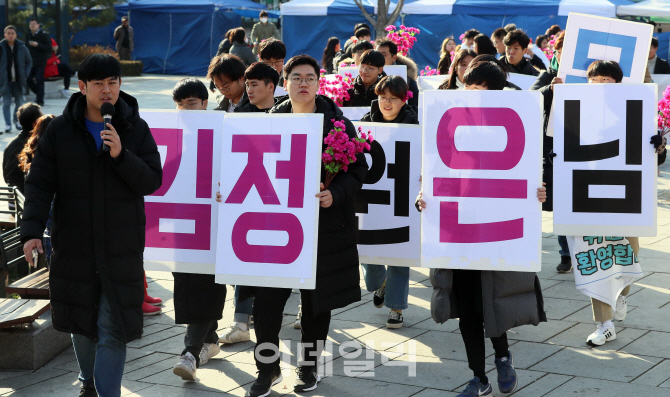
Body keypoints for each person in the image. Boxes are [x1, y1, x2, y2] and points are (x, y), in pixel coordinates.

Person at [20, 53, 162, 397]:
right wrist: (32, 232)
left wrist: (121, 156)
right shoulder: (59, 130)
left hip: (121, 245)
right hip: (74, 243)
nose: (107, 90)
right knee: (81, 323)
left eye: (112, 82)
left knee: (111, 326)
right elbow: (39, 184)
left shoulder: (133, 128)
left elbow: (152, 181)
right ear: (82, 87)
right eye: (98, 83)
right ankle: (88, 381)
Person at [417, 60, 547, 397]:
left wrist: (539, 192)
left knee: (491, 302)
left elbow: (531, 172)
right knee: (467, 309)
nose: (471, 98)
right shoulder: (449, 122)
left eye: (479, 93)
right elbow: (433, 168)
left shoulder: (516, 123)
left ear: (496, 94)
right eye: (467, 90)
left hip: (495, 232)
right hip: (458, 230)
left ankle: (503, 357)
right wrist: (425, 195)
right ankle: (479, 377)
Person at [246, 54, 367, 397]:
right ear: (285, 83)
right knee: (267, 303)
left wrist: (337, 194)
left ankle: (309, 367)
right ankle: (266, 369)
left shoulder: (338, 124)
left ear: (319, 83)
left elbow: (356, 171)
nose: (302, 83)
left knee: (317, 304)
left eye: (309, 78)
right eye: (296, 77)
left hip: (322, 229)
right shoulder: (267, 122)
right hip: (276, 228)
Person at [580, 60, 661, 347]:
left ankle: (621, 294)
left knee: (628, 251)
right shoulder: (573, 108)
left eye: (606, 80)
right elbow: (556, 143)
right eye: (595, 79)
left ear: (618, 83)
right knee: (595, 255)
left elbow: (654, 157)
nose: (600, 85)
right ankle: (604, 324)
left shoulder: (635, 108)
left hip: (626, 196)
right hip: (587, 193)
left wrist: (657, 145)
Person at [168, 77, 227, 381]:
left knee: (206, 286)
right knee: (188, 284)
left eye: (192, 104)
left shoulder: (225, 130)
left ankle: (190, 352)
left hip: (217, 224)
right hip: (184, 225)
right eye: (180, 106)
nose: (187, 111)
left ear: (205, 103)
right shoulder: (171, 135)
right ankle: (211, 341)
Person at [530, 32, 570, 272]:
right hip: (554, 150)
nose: (562, 57)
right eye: (559, 53)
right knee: (562, 203)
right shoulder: (549, 76)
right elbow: (530, 100)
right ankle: (566, 252)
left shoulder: (593, 79)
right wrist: (549, 90)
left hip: (586, 149)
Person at [3, 102, 41, 194]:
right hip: (29, 200)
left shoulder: (11, 144)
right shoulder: (36, 144)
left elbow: (6, 175)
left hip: (14, 198)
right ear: (36, 122)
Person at [1, 25, 32, 133]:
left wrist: (25, 74)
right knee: (6, 104)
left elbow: (29, 62)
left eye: (12, 33)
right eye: (8, 33)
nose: (10, 35)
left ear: (15, 35)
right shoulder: (1, 47)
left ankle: (16, 121)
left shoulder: (22, 47)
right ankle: (8, 124)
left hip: (19, 81)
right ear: (5, 35)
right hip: (5, 81)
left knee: (19, 103)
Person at [375, 39, 419, 108]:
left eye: (383, 55)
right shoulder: (368, 75)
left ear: (394, 57)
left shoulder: (408, 80)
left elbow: (414, 107)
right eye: (376, 55)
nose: (378, 59)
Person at [26, 18, 51, 106]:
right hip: (30, 62)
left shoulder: (43, 35)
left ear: (38, 25)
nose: (32, 26)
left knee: (39, 79)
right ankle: (39, 93)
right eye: (31, 24)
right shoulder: (28, 35)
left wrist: (38, 45)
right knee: (28, 79)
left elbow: (48, 48)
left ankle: (40, 100)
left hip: (40, 62)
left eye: (34, 24)